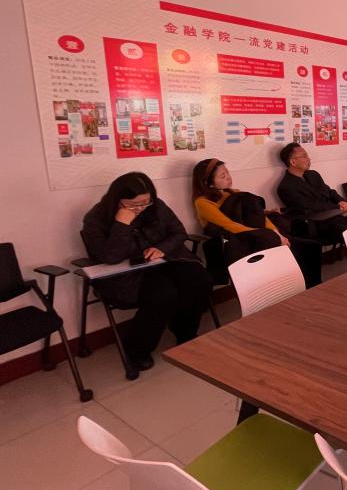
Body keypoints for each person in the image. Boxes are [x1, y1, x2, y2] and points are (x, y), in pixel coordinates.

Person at [82, 172, 213, 371]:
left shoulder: (157, 206)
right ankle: (137, 349)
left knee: (200, 281)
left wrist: (162, 248)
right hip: (127, 273)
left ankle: (185, 332)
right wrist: (121, 224)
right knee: (162, 294)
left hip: (165, 260)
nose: (140, 208)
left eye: (145, 202)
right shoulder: (96, 218)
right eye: (133, 204)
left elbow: (179, 232)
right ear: (117, 199)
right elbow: (110, 257)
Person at [191, 158, 322, 288]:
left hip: (262, 235)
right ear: (209, 183)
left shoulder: (235, 193)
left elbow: (259, 216)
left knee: (312, 247)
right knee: (292, 255)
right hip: (241, 242)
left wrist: (277, 234)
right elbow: (230, 226)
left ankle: (314, 288)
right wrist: (269, 235)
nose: (228, 177)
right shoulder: (202, 202)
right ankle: (298, 289)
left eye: (227, 172)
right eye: (222, 176)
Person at [276, 143, 347, 244]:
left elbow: (329, 191)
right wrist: (338, 208)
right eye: (304, 156)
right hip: (319, 223)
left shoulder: (313, 174)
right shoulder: (285, 187)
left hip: (336, 214)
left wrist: (341, 201)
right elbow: (312, 207)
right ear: (293, 162)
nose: (309, 159)